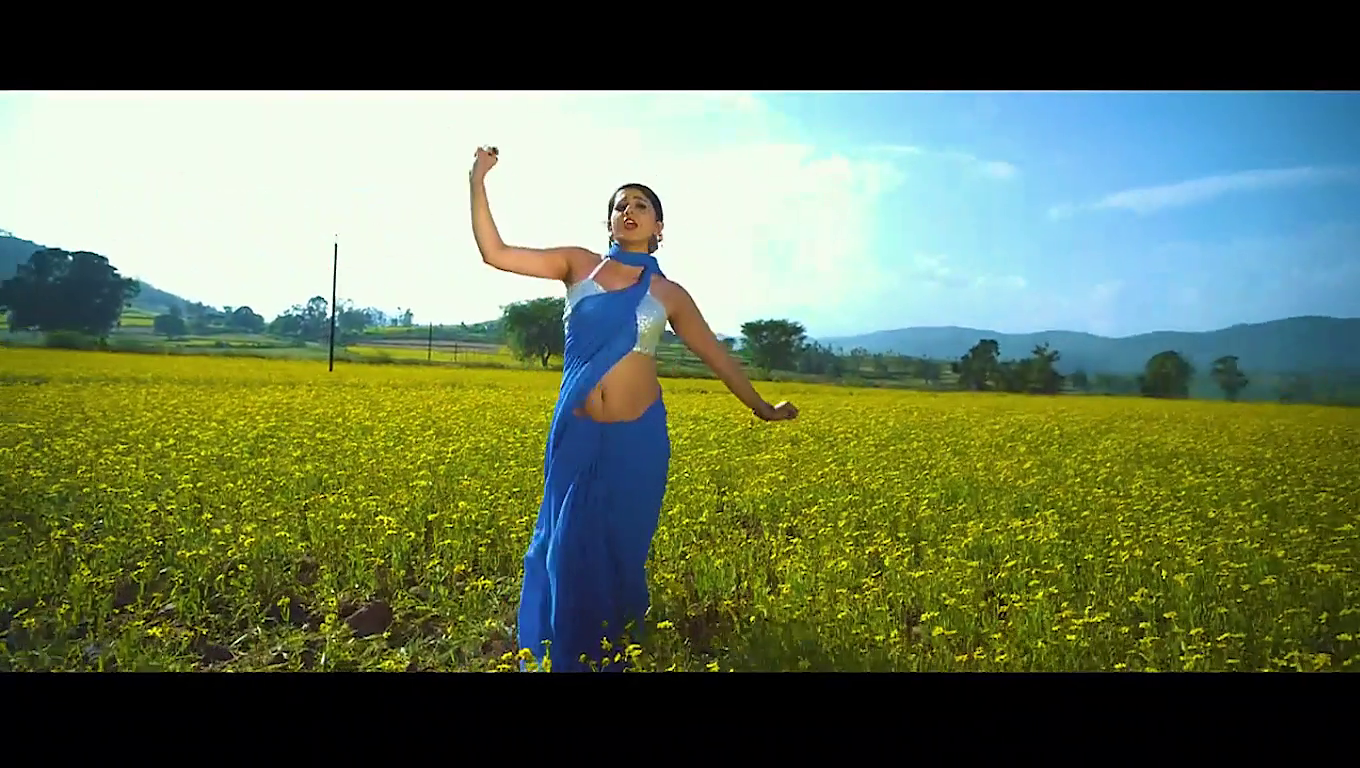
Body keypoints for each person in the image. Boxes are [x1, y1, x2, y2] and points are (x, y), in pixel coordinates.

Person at [469, 145, 798, 672]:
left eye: (641, 205)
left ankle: (614, 653)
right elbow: (496, 252)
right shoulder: (577, 265)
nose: (629, 211)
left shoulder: (669, 294)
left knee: (620, 553)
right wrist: (478, 180)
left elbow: (716, 356)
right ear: (609, 222)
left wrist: (762, 406)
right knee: (563, 550)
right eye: (620, 205)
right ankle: (565, 657)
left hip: (636, 442)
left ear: (658, 228)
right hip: (577, 436)